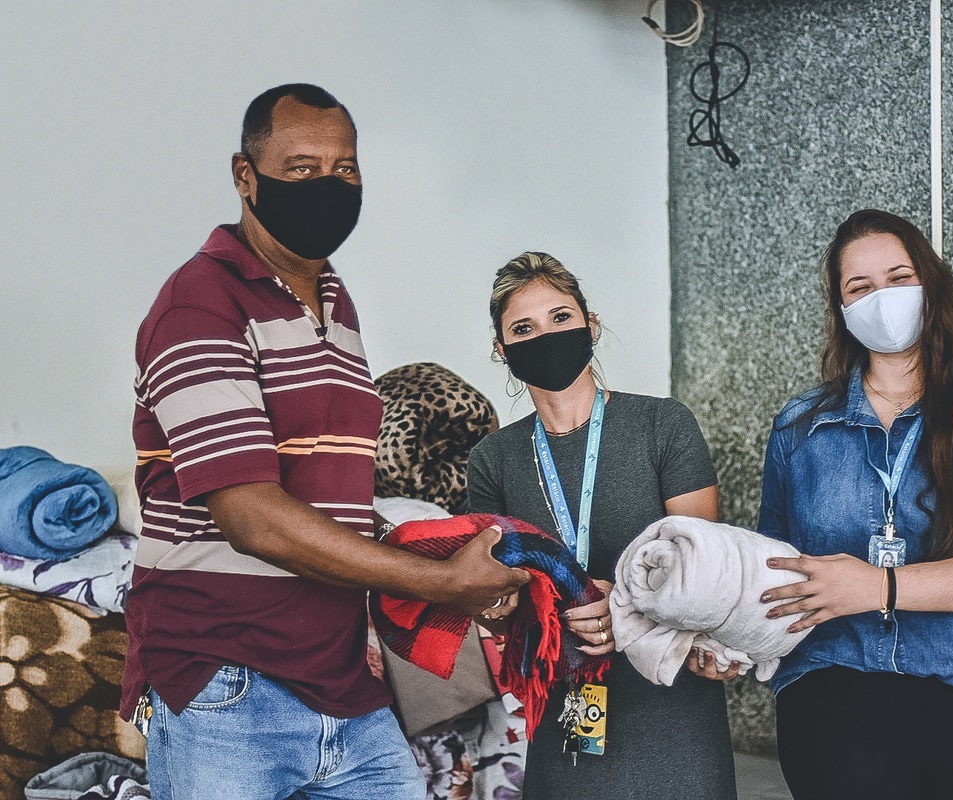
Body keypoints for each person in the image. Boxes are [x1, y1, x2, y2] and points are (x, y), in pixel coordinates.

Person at [122, 83, 529, 800]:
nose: (329, 185)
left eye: (345, 169)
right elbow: (251, 517)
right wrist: (442, 583)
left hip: (339, 683)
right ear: (246, 177)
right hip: (227, 682)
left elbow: (329, 501)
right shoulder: (200, 301)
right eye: (302, 167)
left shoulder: (335, 305)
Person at [758, 209, 953, 799]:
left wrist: (877, 587)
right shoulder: (800, 427)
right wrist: (721, 633)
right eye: (860, 287)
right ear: (841, 309)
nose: (883, 298)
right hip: (837, 686)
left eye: (899, 278)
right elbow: (773, 566)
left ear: (932, 283)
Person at [467, 252, 738, 800]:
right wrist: (499, 606)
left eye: (560, 317)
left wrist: (626, 608)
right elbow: (494, 601)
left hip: (672, 707)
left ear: (591, 325)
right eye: (524, 328)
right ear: (503, 351)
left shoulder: (663, 425)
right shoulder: (493, 460)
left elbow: (705, 568)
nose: (546, 335)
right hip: (566, 710)